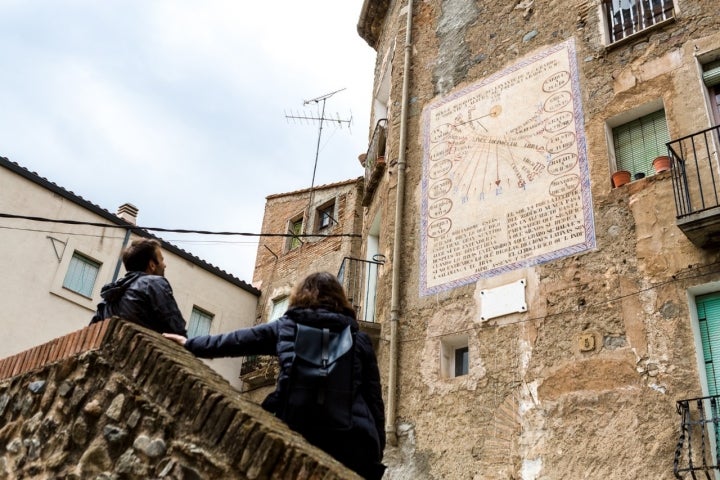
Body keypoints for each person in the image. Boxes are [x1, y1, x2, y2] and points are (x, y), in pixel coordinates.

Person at [164, 272, 386, 480]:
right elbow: (374, 400)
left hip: (296, 428)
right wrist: (378, 449)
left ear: (301, 296)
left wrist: (190, 343)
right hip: (353, 442)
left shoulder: (286, 327)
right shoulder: (359, 339)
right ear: (340, 299)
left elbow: (236, 341)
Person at [90, 238, 187, 336]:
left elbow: (91, 335)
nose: (164, 265)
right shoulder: (153, 283)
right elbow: (177, 329)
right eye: (161, 260)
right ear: (152, 265)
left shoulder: (106, 302)